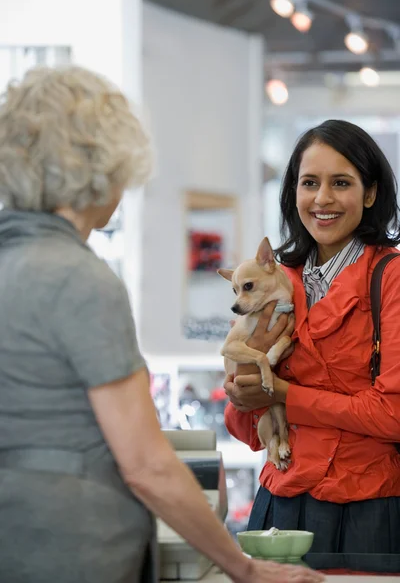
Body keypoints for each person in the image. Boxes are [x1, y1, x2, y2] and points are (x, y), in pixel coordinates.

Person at [0, 66, 324, 583]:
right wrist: (242, 567)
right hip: (69, 548)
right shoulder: (80, 279)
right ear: (98, 165)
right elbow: (145, 463)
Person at [224, 119, 400, 573]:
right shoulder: (274, 281)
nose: (322, 199)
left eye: (341, 183)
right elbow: (242, 426)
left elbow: (392, 415)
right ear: (293, 193)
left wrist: (282, 394)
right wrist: (246, 394)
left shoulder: (391, 279)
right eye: (309, 183)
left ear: (370, 193)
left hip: (369, 506)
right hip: (278, 506)